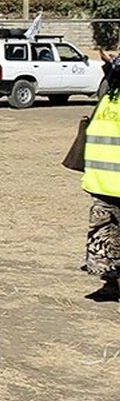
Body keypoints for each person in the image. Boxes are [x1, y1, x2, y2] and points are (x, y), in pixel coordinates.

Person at [80, 48, 120, 300]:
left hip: (103, 184)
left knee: (111, 245)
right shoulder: (109, 96)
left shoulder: (108, 97)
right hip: (106, 185)